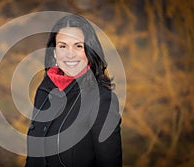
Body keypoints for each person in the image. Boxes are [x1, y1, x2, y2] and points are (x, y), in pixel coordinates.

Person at [25, 14, 122, 167]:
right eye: (62, 46)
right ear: (54, 52)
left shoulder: (102, 100)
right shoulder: (43, 92)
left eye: (78, 46)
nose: (70, 53)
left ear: (90, 52)